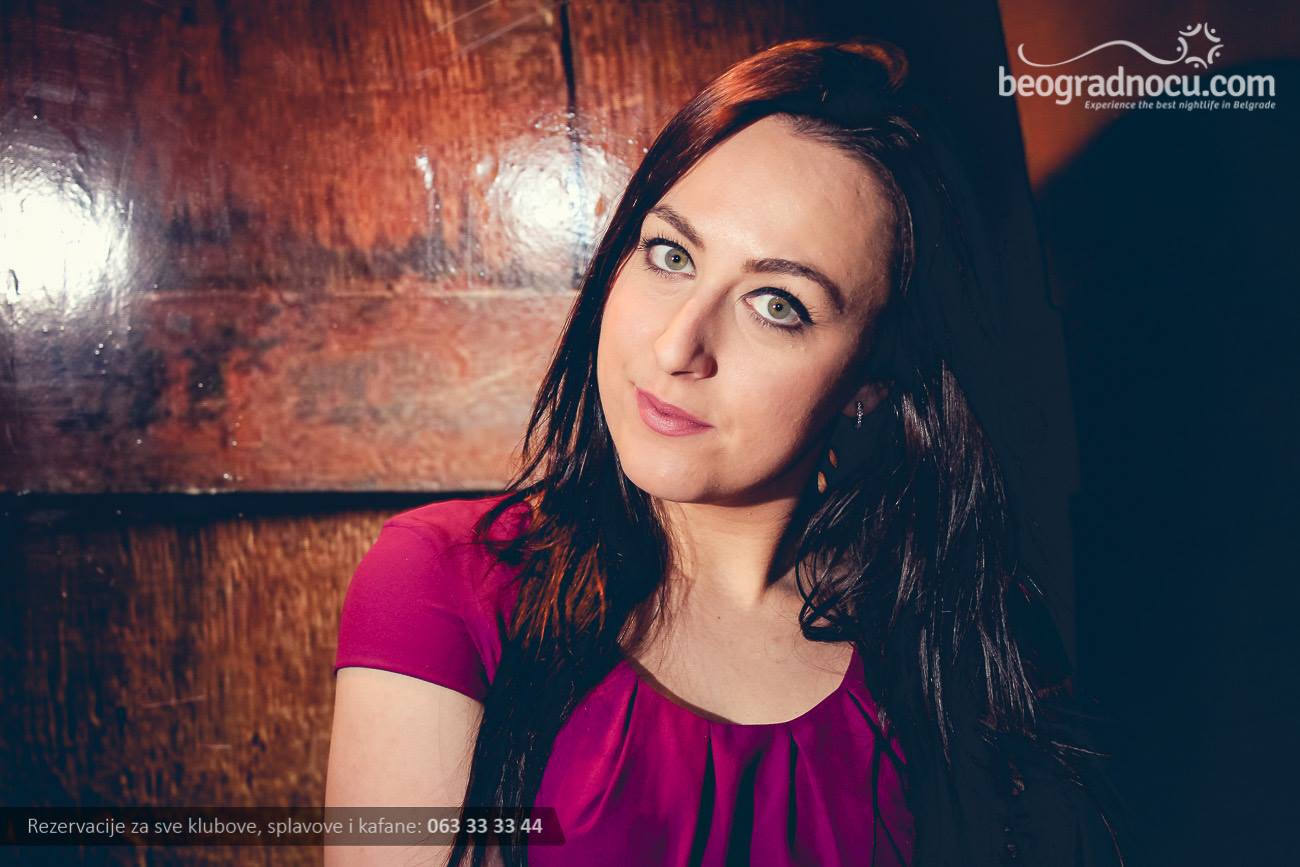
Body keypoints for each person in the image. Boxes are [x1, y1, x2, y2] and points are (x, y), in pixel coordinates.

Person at [326, 38, 1131, 867]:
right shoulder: (446, 584)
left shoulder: (967, 650)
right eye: (670, 255)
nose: (678, 345)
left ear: (872, 378)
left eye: (776, 304)